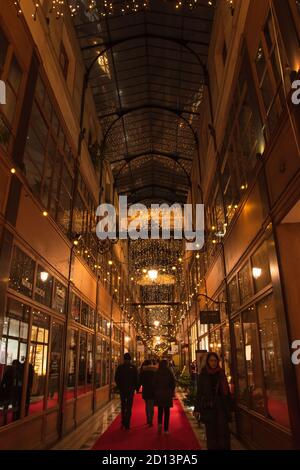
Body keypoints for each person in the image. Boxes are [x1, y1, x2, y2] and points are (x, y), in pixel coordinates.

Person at [194, 352, 232, 450]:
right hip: (209, 407)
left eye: (215, 361)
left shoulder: (221, 373)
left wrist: (230, 407)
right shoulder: (203, 375)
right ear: (207, 362)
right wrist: (197, 408)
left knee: (223, 432)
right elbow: (199, 392)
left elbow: (226, 391)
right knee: (211, 433)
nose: (213, 363)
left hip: (221, 407)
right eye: (211, 360)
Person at [115, 353, 138, 430]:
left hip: (122, 390)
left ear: (124, 359)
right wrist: (136, 388)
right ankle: (127, 424)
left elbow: (116, 378)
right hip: (130, 390)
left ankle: (123, 421)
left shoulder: (120, 367)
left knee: (123, 405)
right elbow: (136, 379)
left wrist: (119, 387)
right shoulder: (134, 368)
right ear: (130, 359)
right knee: (129, 407)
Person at [154, 359, 176, 434]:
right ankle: (166, 429)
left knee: (160, 410)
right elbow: (173, 382)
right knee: (167, 412)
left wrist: (156, 390)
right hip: (167, 394)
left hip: (159, 393)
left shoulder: (157, 372)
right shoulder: (169, 372)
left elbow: (154, 383)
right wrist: (171, 390)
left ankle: (159, 424)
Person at [139, 359, 156, 426]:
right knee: (151, 405)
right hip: (153, 390)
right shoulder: (155, 372)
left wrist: (137, 388)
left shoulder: (143, 372)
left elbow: (140, 381)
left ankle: (148, 419)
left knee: (147, 405)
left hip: (145, 390)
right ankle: (150, 420)